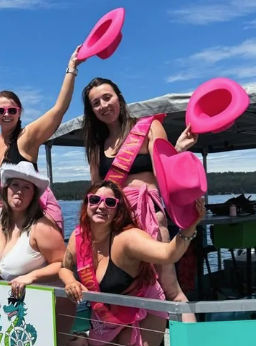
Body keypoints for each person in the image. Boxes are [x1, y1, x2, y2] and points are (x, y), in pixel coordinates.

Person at [59, 181, 205, 346]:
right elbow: (64, 267)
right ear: (86, 204)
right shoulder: (78, 237)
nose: (101, 206)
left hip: (141, 311)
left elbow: (168, 253)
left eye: (110, 202)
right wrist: (71, 281)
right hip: (107, 316)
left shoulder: (128, 238)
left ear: (117, 210)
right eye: (95, 200)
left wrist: (189, 226)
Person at [81, 77, 198, 320]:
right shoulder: (96, 146)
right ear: (91, 111)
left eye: (107, 97)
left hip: (149, 217)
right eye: (95, 103)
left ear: (119, 98)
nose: (103, 105)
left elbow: (166, 174)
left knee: (171, 289)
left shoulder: (149, 128)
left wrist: (177, 150)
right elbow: (97, 191)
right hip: (117, 224)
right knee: (129, 292)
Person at [0, 161, 86, 346]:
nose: (19, 191)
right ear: (5, 189)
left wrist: (31, 276)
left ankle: (81, 344)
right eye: (15, 185)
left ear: (34, 195)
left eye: (26, 187)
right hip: (20, 305)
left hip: (53, 303)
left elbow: (64, 264)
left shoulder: (42, 228)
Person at [0, 47, 83, 231]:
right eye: (0, 111)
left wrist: (71, 69)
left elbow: (59, 109)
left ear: (19, 113)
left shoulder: (27, 137)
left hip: (34, 216)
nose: (6, 114)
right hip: (7, 217)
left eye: (12, 110)